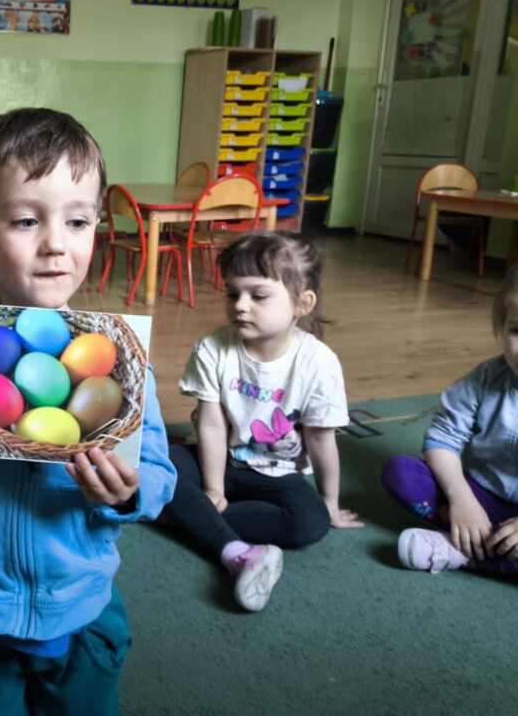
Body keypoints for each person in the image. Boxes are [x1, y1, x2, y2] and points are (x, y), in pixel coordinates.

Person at [0, 108, 176, 714]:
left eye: (78, 221)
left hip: (80, 599)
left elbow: (159, 474)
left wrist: (128, 493)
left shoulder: (114, 364)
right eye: (26, 220)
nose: (56, 243)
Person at [157, 232, 362, 611]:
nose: (240, 305)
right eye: (232, 293)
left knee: (311, 522)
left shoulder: (319, 363)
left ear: (302, 303)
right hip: (218, 462)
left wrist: (330, 502)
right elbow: (211, 425)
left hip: (279, 476)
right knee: (153, 461)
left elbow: (321, 441)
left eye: (258, 296)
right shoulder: (212, 347)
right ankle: (214, 526)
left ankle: (186, 514)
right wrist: (214, 489)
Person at [382, 266, 518, 575]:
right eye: (517, 330)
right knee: (400, 473)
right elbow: (442, 440)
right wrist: (461, 499)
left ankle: (461, 551)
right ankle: (480, 539)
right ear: (501, 327)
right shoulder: (484, 379)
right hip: (478, 495)